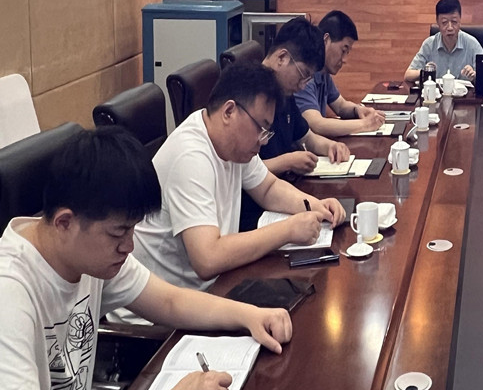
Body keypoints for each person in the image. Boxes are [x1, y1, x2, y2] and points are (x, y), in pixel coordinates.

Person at [0, 127, 293, 390]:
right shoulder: (10, 292)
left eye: (132, 230)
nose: (129, 246)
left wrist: (249, 315)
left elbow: (168, 301)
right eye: (118, 233)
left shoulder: (84, 253)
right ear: (65, 222)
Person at [120, 63, 346, 302]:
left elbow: (268, 188)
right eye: (261, 128)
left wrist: (317, 206)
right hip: (164, 308)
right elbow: (207, 259)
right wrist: (288, 230)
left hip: (213, 288)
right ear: (229, 111)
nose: (263, 141)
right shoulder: (190, 157)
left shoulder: (231, 143)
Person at [257, 16, 351, 177]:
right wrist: (287, 162)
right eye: (303, 75)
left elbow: (306, 137)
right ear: (282, 58)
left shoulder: (285, 92)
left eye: (308, 79)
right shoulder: (250, 95)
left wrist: (330, 146)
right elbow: (241, 171)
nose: (302, 86)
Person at [295, 9, 387, 137]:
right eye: (343, 50)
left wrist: (358, 110)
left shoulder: (323, 72)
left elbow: (340, 106)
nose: (344, 60)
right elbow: (316, 124)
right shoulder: (304, 73)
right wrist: (365, 124)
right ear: (326, 40)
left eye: (347, 53)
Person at [403, 0, 483, 82]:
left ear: (460, 20)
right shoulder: (429, 44)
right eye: (444, 22)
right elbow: (408, 75)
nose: (450, 28)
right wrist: (425, 71)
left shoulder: (472, 44)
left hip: (465, 91)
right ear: (438, 22)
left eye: (454, 22)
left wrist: (475, 75)